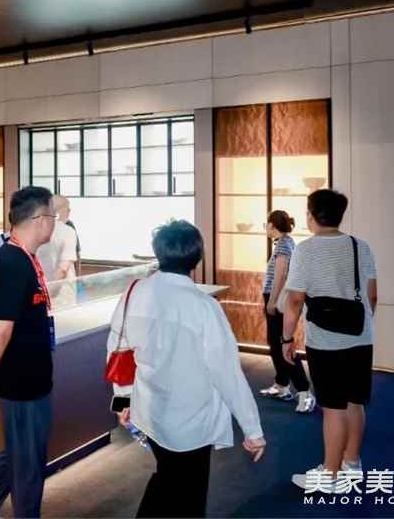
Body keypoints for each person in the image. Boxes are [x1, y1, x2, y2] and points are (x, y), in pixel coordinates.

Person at [106, 220, 265, 518]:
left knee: (169, 477)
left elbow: (117, 349)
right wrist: (252, 429)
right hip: (191, 420)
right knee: (187, 493)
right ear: (197, 257)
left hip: (149, 411)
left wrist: (124, 398)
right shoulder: (203, 307)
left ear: (158, 251)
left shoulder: (134, 292)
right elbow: (227, 373)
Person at [284, 189, 377, 491]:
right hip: (361, 337)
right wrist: (361, 326)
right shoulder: (360, 246)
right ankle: (352, 463)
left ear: (311, 215)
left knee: (333, 408)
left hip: (326, 342)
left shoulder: (306, 250)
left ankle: (330, 475)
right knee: (355, 402)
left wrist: (286, 338)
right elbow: (372, 296)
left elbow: (295, 300)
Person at [0, 186, 56, 519]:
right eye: (53, 215)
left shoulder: (25, 258)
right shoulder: (12, 262)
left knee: (15, 452)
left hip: (32, 378)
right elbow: (1, 328)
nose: (55, 222)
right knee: (29, 467)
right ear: (39, 219)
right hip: (22, 383)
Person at [259, 210, 315, 413]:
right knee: (275, 344)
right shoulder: (286, 243)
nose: (265, 228)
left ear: (272, 225)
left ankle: (305, 392)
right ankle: (282, 385)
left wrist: (272, 301)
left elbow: (281, 275)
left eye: (266, 224)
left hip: (278, 300)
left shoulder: (283, 245)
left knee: (283, 344)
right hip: (278, 299)